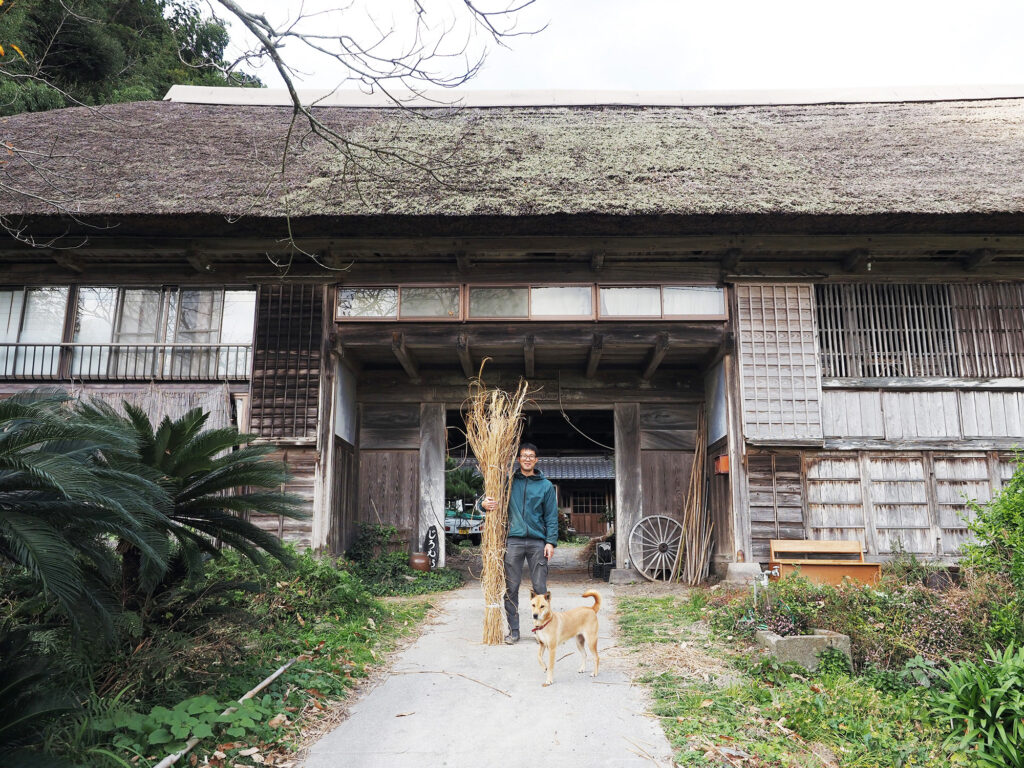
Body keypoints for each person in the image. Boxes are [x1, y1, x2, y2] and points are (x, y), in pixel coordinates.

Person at [481, 442, 558, 644]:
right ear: (518, 459)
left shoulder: (546, 486)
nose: (527, 459)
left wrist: (550, 542)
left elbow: (551, 517)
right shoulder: (507, 483)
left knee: (540, 589)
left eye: (531, 456)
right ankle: (514, 631)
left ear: (536, 460)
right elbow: (490, 500)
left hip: (537, 542)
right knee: (511, 588)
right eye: (524, 455)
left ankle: (541, 631)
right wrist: (484, 504)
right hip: (513, 540)